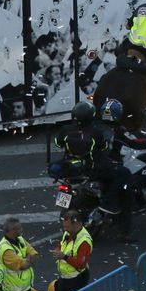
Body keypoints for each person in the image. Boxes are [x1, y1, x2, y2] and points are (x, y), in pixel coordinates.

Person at [52, 100, 126, 233]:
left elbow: (58, 143)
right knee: (122, 173)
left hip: (70, 167)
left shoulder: (65, 129)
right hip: (91, 169)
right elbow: (104, 147)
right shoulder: (96, 131)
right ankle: (108, 203)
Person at [0, 217, 39, 291]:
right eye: (19, 228)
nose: (22, 229)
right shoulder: (6, 249)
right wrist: (27, 259)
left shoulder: (20, 240)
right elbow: (23, 266)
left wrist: (26, 260)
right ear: (12, 231)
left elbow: (34, 254)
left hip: (22, 290)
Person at [49, 210, 94, 291]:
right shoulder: (68, 232)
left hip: (77, 278)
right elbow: (63, 244)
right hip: (66, 277)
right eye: (64, 226)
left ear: (77, 224)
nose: (65, 229)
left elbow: (81, 264)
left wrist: (64, 257)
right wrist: (58, 248)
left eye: (67, 227)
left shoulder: (84, 241)